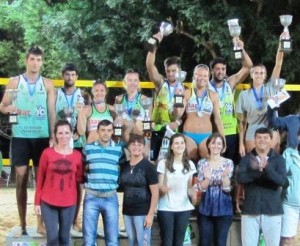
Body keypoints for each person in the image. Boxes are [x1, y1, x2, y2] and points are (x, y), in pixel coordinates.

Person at [0, 46, 55, 235]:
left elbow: (51, 112)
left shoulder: (47, 84)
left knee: (42, 180)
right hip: (21, 136)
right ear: (26, 60)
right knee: (22, 179)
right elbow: (3, 106)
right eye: (32, 59)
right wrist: (9, 110)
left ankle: (41, 223)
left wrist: (54, 135)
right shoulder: (14, 82)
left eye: (39, 60)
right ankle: (23, 224)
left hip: (41, 137)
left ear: (42, 62)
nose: (35, 63)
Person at [236, 33, 286, 157]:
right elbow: (241, 123)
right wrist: (241, 143)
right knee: (254, 163)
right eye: (256, 73)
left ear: (265, 75)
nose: (259, 75)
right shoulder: (243, 95)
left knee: (273, 161)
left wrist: (281, 43)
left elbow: (278, 63)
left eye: (262, 73)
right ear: (252, 75)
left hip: (271, 127)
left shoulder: (271, 87)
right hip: (252, 130)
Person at [34, 120, 83, 245]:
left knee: (65, 238)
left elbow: (79, 181)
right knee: (52, 238)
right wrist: (37, 202)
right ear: (55, 135)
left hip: (69, 203)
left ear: (72, 134)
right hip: (48, 202)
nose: (63, 136)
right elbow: (40, 179)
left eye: (67, 133)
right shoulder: (47, 153)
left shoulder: (77, 156)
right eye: (60, 133)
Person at [237, 127, 287, 246]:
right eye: (259, 137)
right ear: (254, 140)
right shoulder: (246, 159)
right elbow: (240, 178)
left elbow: (282, 182)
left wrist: (267, 169)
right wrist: (257, 171)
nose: (262, 140)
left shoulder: (279, 160)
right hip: (250, 210)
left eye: (265, 137)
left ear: (271, 140)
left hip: (272, 210)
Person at [209, 38, 253, 164]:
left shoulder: (230, 83)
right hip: (214, 133)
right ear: (212, 70)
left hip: (231, 132)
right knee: (215, 165)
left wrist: (241, 49)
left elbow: (248, 66)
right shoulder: (206, 87)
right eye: (217, 69)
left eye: (223, 69)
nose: (220, 72)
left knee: (231, 166)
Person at [55, 63, 86, 232]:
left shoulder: (83, 96)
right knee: (59, 179)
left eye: (73, 74)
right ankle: (59, 219)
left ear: (77, 76)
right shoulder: (55, 94)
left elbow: (87, 119)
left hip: (78, 143)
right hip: (60, 144)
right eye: (67, 74)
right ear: (62, 76)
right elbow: (52, 117)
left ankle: (74, 219)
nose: (70, 78)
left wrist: (79, 133)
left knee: (77, 183)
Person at [82, 119, 123, 246]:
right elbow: (82, 168)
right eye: (103, 130)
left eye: (109, 130)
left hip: (110, 197)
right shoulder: (88, 148)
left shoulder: (118, 150)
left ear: (112, 132)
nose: (106, 133)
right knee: (88, 241)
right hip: (91, 197)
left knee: (112, 240)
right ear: (98, 132)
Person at [146, 34, 183, 161]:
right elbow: (150, 66)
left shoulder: (184, 90)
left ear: (179, 70)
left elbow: (179, 115)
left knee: (169, 164)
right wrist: (154, 45)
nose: (171, 74)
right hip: (156, 129)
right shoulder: (161, 83)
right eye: (168, 71)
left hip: (172, 131)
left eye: (174, 71)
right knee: (154, 162)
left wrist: (177, 120)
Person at [267, 105, 300, 246]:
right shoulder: (292, 120)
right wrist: (271, 107)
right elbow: (274, 122)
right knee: (287, 240)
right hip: (291, 200)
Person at [157, 133, 197, 246]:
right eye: (176, 143)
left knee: (179, 242)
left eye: (182, 143)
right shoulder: (163, 163)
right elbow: (159, 185)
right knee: (167, 242)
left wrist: (193, 193)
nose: (179, 145)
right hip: (166, 208)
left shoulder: (190, 164)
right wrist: (164, 188)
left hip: (183, 208)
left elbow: (189, 187)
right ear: (171, 146)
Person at [120, 134, 159, 246]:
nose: (136, 147)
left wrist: (150, 214)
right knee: (132, 241)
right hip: (127, 211)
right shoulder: (124, 166)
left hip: (142, 211)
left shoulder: (149, 167)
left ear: (143, 147)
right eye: (133, 144)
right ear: (128, 147)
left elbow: (155, 193)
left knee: (143, 243)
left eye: (139, 144)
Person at [197, 133, 234, 246]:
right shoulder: (202, 163)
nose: (216, 146)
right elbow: (201, 188)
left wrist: (225, 177)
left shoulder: (228, 163)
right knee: (204, 242)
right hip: (205, 208)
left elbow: (227, 189)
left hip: (224, 208)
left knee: (220, 242)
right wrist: (207, 178)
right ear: (208, 145)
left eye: (219, 143)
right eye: (213, 143)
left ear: (223, 147)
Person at [183, 64, 224, 160]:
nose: (202, 78)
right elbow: (178, 114)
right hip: (189, 134)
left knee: (207, 161)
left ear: (208, 77)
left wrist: (223, 139)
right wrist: (177, 99)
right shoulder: (187, 93)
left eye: (205, 76)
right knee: (190, 161)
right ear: (194, 76)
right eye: (199, 75)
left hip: (206, 135)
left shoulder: (213, 96)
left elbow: (218, 119)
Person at [115, 69, 151, 156]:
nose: (132, 83)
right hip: (124, 140)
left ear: (138, 82)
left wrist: (147, 143)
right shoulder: (119, 99)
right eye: (130, 80)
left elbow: (148, 124)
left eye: (135, 80)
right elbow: (117, 121)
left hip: (139, 141)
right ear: (125, 82)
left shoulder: (144, 99)